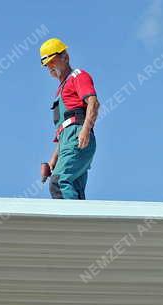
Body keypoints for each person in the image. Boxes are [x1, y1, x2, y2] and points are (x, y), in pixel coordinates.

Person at [39, 38, 99, 200]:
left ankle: (69, 224)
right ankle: (81, 224)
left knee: (59, 183)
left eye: (53, 61)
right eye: (47, 65)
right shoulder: (60, 89)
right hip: (68, 138)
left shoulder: (77, 76)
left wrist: (86, 130)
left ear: (65, 57)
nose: (50, 67)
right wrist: (53, 159)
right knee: (75, 190)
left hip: (77, 135)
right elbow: (63, 130)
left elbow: (93, 103)